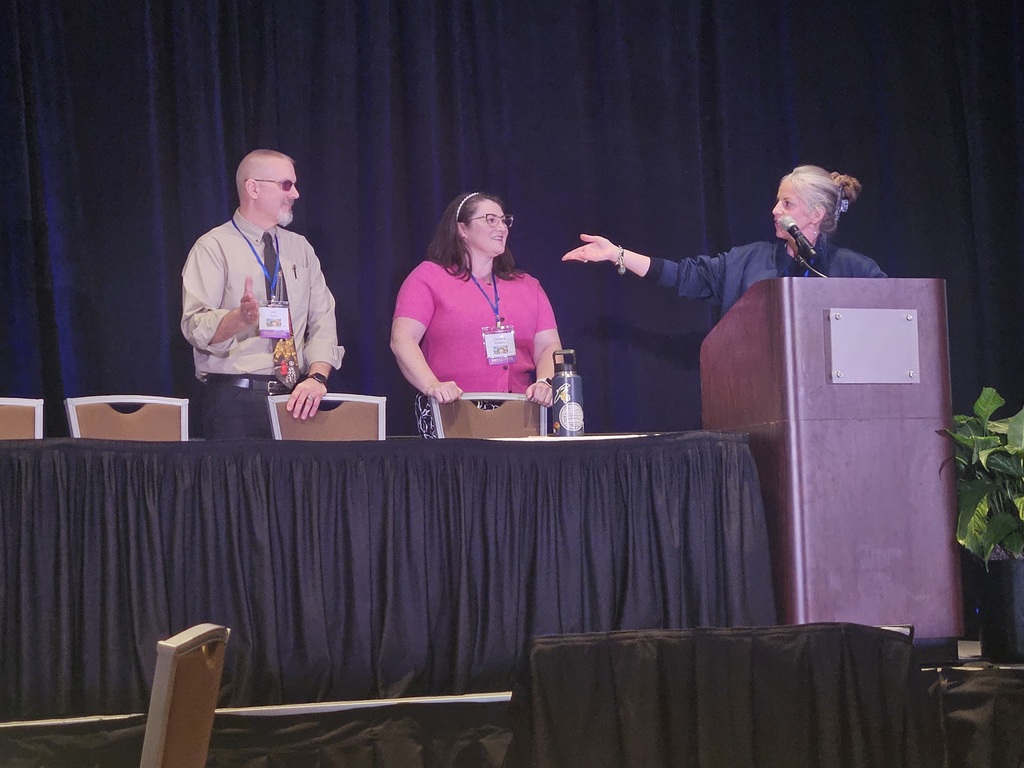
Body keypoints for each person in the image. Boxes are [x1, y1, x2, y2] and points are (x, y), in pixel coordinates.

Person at [562, 165, 886, 314]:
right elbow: (685, 275)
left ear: (815, 214)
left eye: (787, 204)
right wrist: (617, 254)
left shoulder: (857, 270)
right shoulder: (749, 261)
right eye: (777, 201)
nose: (774, 210)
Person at [181, 149, 345, 439]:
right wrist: (240, 318)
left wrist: (317, 377)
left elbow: (322, 318)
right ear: (253, 188)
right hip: (235, 402)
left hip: (295, 400)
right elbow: (194, 326)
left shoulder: (300, 248)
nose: (295, 194)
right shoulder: (213, 246)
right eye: (286, 185)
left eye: (294, 185)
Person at [391, 191, 562, 437]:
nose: (501, 227)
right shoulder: (428, 277)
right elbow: (402, 340)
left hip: (520, 411)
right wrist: (432, 385)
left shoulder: (527, 285)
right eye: (490, 219)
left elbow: (548, 345)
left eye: (504, 221)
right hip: (453, 410)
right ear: (462, 229)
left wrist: (545, 382)